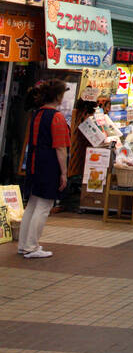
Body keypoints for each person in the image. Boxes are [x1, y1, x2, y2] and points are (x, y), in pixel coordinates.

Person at [18, 79, 70, 259]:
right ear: (58, 96)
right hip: (49, 166)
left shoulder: (37, 114)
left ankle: (24, 245)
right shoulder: (56, 117)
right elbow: (61, 148)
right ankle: (32, 247)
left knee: (32, 205)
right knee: (44, 206)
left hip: (33, 164)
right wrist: (64, 173)